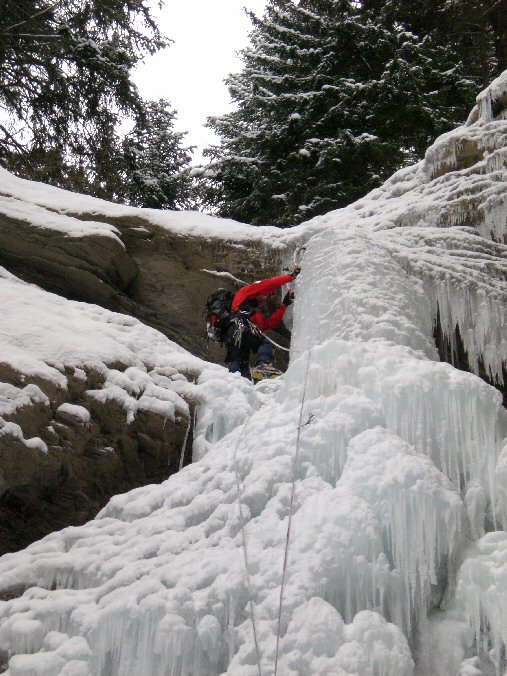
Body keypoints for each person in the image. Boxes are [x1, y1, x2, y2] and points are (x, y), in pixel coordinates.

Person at [225, 268, 300, 378]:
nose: (265, 298)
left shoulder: (252, 311)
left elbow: (268, 325)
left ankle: (233, 384)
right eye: (265, 295)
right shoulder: (247, 291)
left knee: (239, 364)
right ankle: (263, 366)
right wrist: (291, 276)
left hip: (234, 334)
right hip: (241, 328)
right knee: (265, 345)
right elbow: (269, 284)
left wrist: (284, 305)